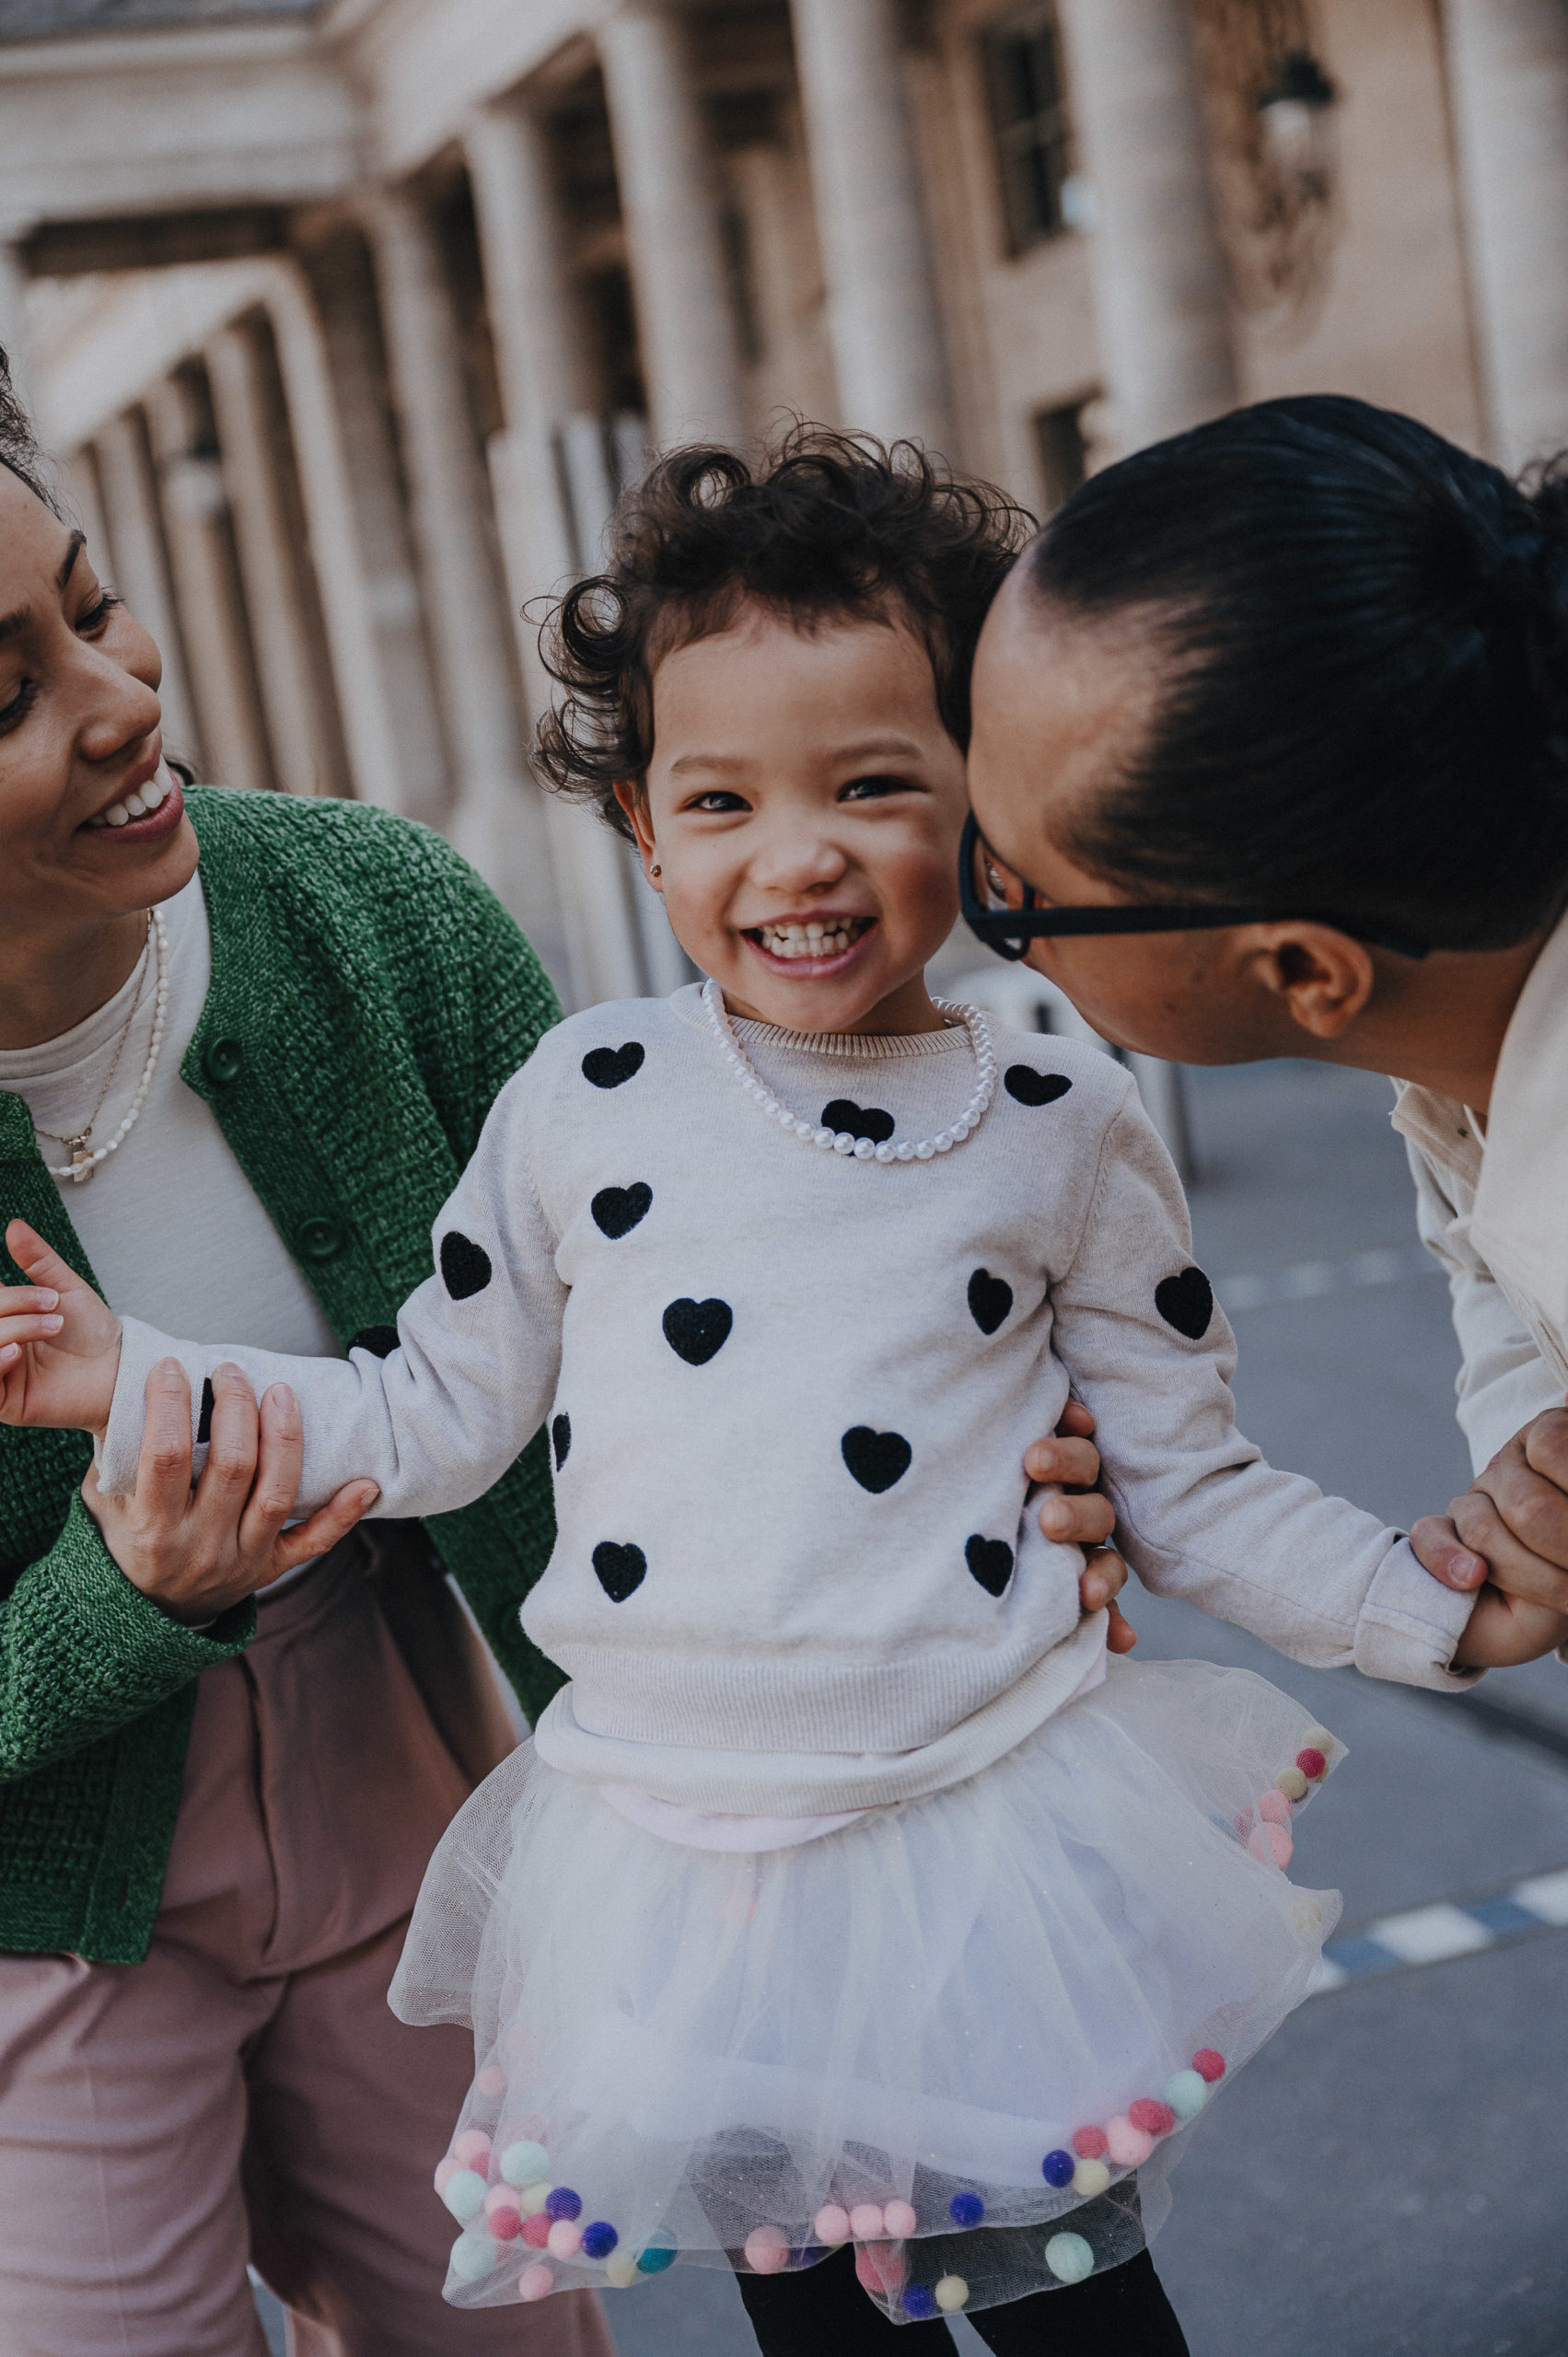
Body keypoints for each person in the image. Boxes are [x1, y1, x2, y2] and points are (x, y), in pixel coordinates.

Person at [4, 431, 1554, 2357]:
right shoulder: (576, 1109)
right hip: (687, 1874)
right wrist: (127, 1373)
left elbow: (1186, 1478)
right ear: (646, 828)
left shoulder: (1060, 1115)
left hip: (973, 1838)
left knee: (1088, 2313)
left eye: (872, 785)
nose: (795, 851)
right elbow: (420, 1407)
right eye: (720, 797)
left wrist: (1435, 1604)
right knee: (815, 2327)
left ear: (984, 816)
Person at [0, 356, 612, 2357]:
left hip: (403, 1772)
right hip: (37, 1895)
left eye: (91, 606)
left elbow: (660, 1331)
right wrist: (120, 1600)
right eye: (7, 688)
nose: (122, 696)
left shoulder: (378, 914)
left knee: (515, 2335)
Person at [961, 392, 1568, 1648]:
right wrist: (1531, 1434)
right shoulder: (1467, 1045)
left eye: (1027, 893)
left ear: (1306, 972)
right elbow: (1489, 1267)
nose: (994, 917)